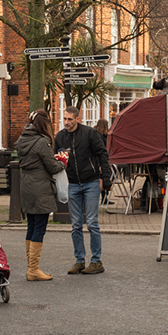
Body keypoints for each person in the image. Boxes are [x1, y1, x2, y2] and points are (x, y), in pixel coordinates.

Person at [53, 105, 111, 275]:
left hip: (91, 182)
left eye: (70, 119)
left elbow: (102, 154)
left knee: (92, 222)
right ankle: (79, 260)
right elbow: (56, 158)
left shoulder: (89, 134)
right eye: (64, 119)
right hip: (71, 183)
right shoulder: (60, 137)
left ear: (78, 119)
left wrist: (105, 178)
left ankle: (96, 261)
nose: (66, 122)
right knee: (76, 224)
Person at [15, 110, 66, 281]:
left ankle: (31, 268)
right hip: (40, 186)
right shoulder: (42, 141)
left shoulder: (22, 139)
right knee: (39, 227)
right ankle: (33, 269)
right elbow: (51, 167)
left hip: (27, 184)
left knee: (31, 225)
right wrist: (62, 162)